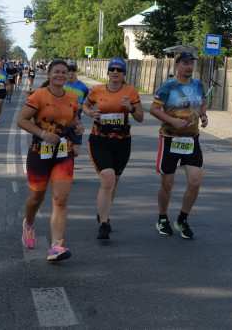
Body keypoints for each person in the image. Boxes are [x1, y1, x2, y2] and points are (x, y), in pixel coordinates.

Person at [16, 59, 85, 262]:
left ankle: (56, 245)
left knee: (60, 199)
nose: (61, 75)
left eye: (65, 72)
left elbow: (73, 119)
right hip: (40, 152)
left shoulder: (72, 97)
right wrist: (43, 134)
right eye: (57, 72)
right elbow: (22, 120)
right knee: (36, 198)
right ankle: (28, 224)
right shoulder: (39, 96)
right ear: (49, 74)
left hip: (64, 152)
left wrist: (77, 126)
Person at [150, 51, 208, 239]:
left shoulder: (198, 84)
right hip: (170, 138)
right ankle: (162, 218)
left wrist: (203, 115)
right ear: (177, 65)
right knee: (167, 184)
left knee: (195, 182)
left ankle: (182, 219)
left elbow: (202, 102)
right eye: (185, 64)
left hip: (192, 139)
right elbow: (154, 109)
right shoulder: (169, 86)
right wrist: (172, 121)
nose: (189, 67)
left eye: (191, 64)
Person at [83, 57, 143, 240]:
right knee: (107, 179)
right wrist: (90, 112)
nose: (115, 72)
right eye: (112, 69)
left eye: (119, 70)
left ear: (124, 74)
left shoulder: (130, 92)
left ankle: (103, 212)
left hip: (122, 142)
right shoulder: (97, 90)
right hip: (99, 140)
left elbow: (140, 117)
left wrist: (130, 108)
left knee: (114, 181)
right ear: (107, 72)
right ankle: (103, 223)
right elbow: (85, 105)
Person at [63, 61, 89, 158]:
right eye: (68, 70)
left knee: (75, 152)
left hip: (77, 121)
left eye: (73, 70)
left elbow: (87, 104)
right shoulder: (61, 85)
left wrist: (81, 106)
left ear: (76, 71)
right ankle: (65, 166)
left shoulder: (83, 87)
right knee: (62, 148)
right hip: (62, 121)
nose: (71, 72)